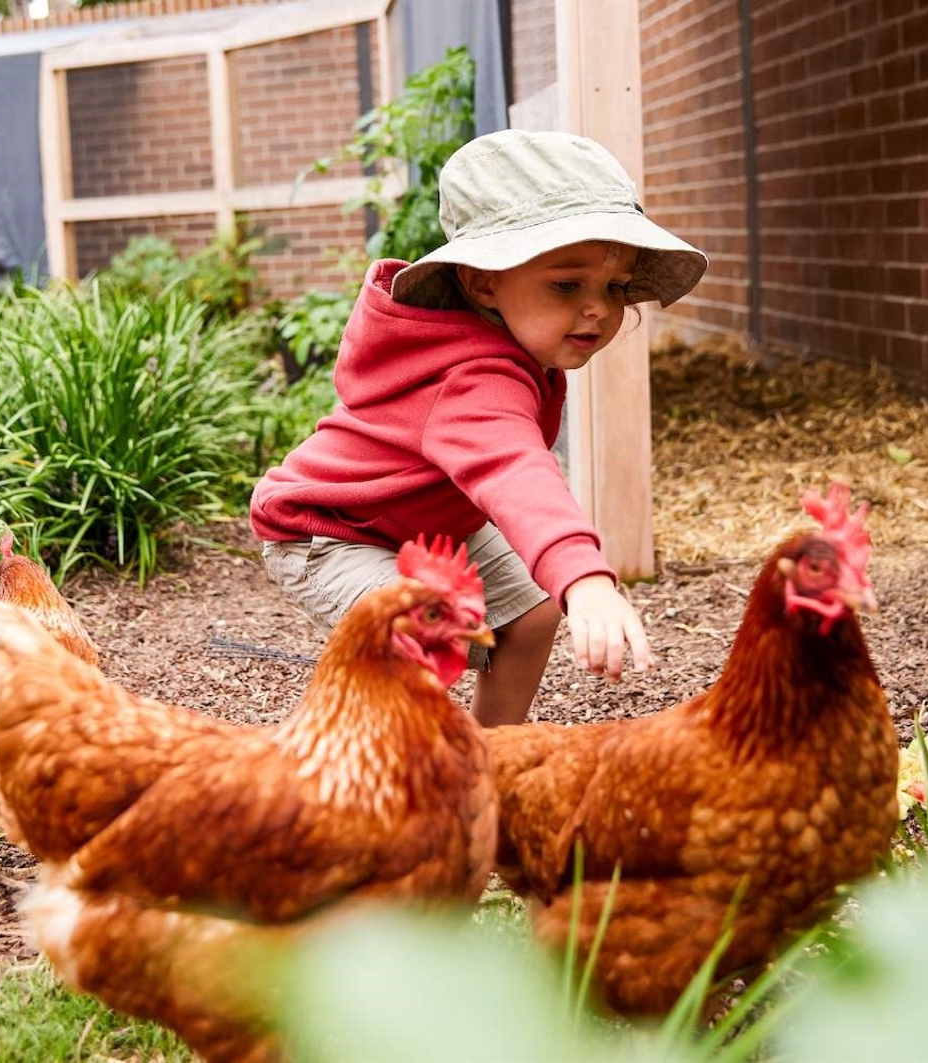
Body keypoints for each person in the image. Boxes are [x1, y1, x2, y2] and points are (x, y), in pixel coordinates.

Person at [250, 129, 708, 727]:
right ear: (484, 281)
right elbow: (515, 471)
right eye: (567, 284)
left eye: (615, 287)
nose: (598, 307)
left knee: (533, 609)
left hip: (424, 518)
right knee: (410, 637)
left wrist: (563, 583)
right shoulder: (475, 377)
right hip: (330, 529)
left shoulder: (507, 350)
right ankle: (392, 786)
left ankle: (496, 755)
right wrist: (586, 578)